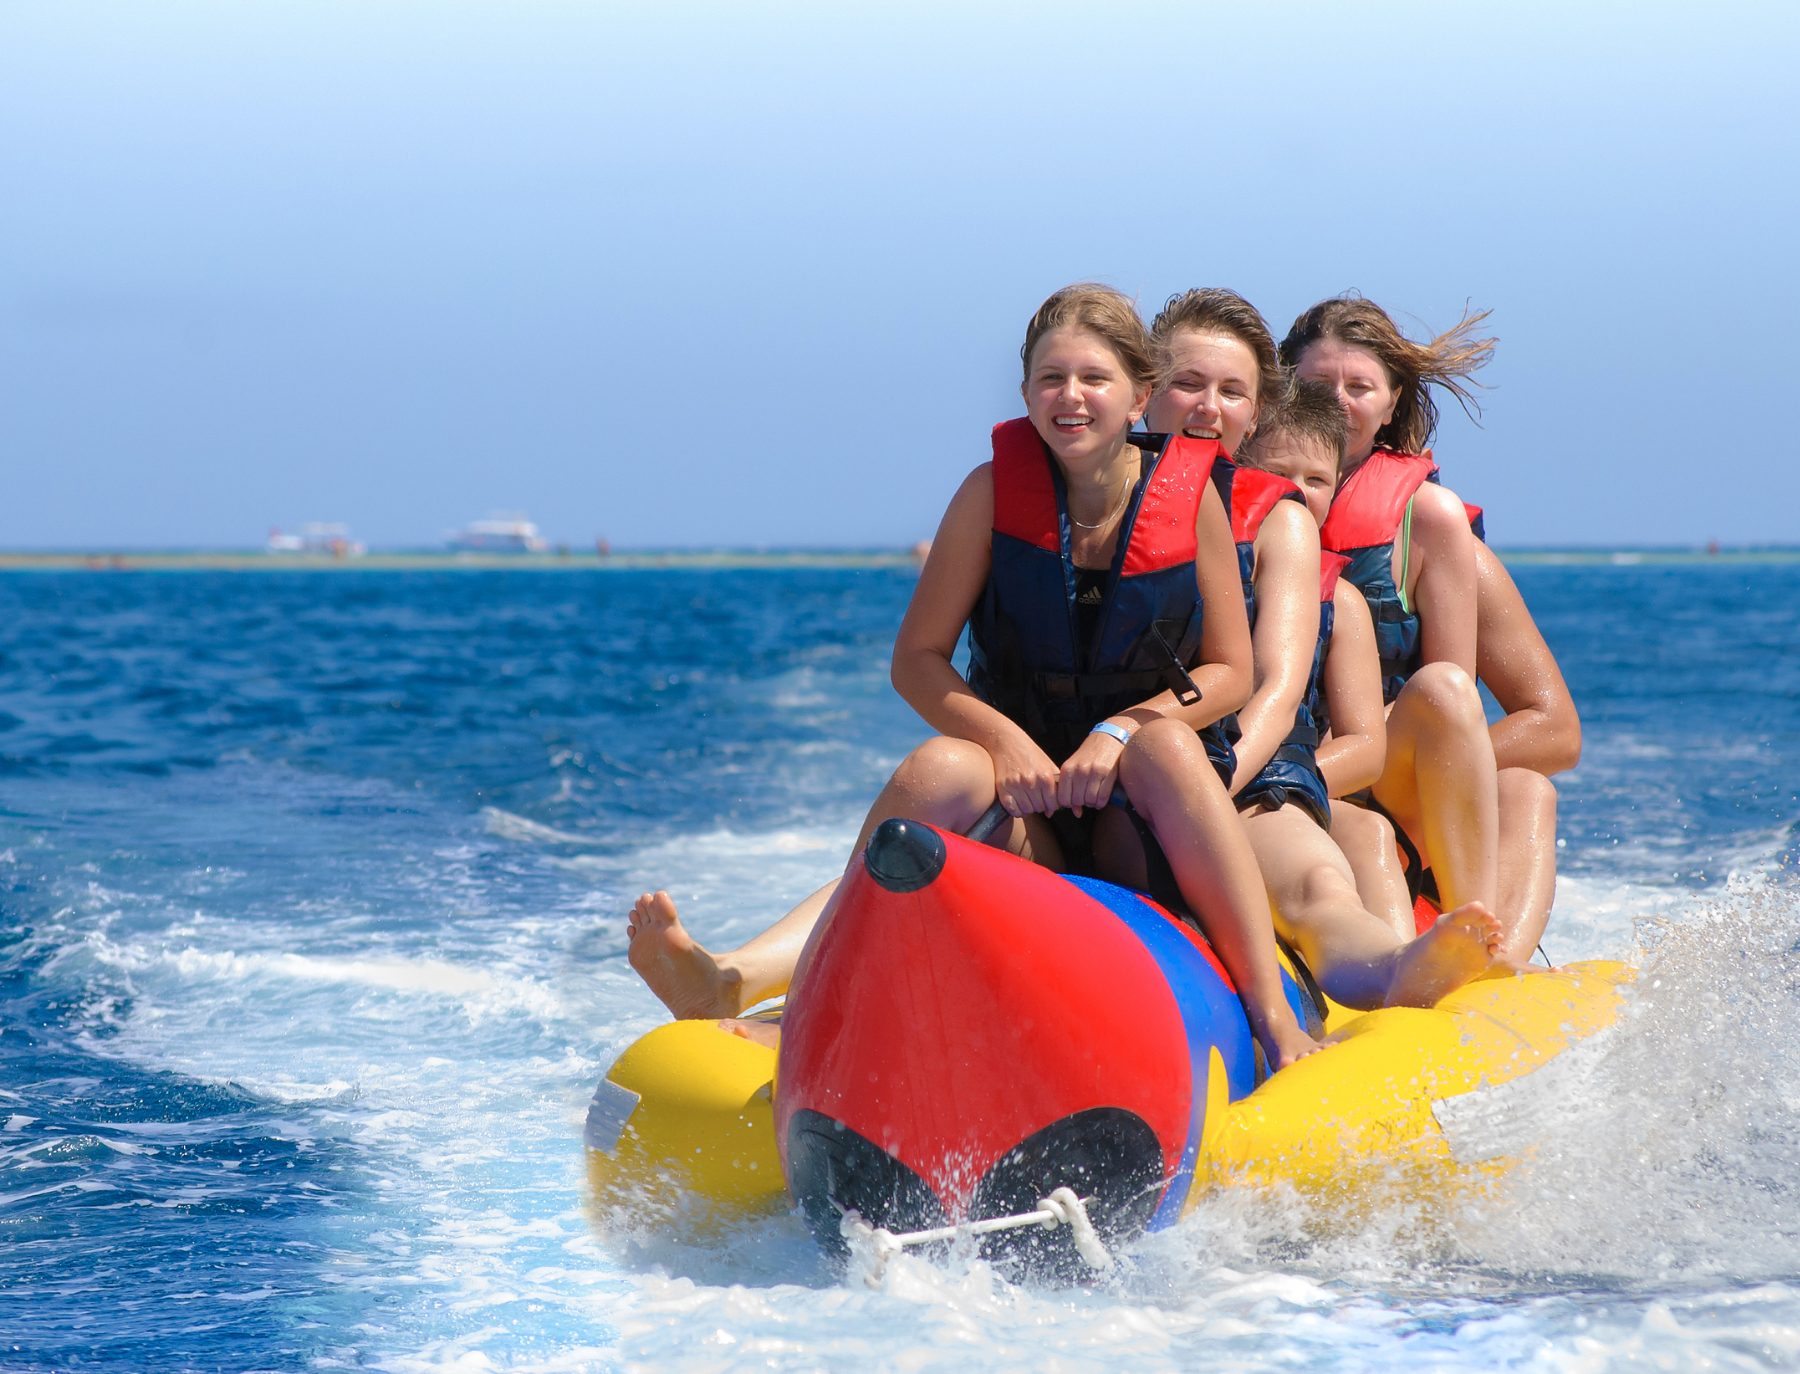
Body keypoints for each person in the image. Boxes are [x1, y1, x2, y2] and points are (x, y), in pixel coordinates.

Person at [628, 283, 1323, 1068]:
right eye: (1049, 379)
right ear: (1025, 393)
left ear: (1139, 393)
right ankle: (758, 989)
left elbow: (1230, 672)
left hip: (1141, 818)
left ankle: (1273, 1016)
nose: (1070, 397)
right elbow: (916, 662)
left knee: (1164, 748)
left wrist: (1120, 729)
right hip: (1033, 820)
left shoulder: (1190, 498)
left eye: (1093, 378)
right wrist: (1006, 743)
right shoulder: (990, 495)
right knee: (940, 766)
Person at [1142, 292, 1504, 1007]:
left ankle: (1434, 966)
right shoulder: (1105, 510)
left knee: (1337, 865)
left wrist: (1236, 780)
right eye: (1189, 385)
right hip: (1121, 771)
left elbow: (1316, 708)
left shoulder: (1362, 563)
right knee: (1357, 833)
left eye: (1316, 483)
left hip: (1261, 776)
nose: (1298, 496)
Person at [1280, 296, 1506, 940]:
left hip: (1382, 761)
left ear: (1392, 400)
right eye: (1318, 385)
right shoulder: (1242, 487)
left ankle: (1472, 930)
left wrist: (1352, 744)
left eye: (1359, 387)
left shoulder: (1427, 516)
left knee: (1449, 696)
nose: (1339, 402)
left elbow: (1452, 697)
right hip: (1285, 750)